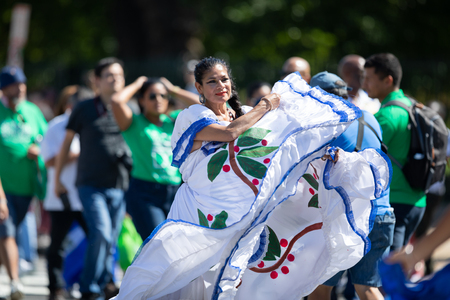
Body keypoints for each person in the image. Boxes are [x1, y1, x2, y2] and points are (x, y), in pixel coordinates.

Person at [112, 57, 391, 300]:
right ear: (198, 88)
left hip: (242, 215)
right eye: (212, 82)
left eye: (224, 79)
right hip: (201, 213)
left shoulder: (245, 113)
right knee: (181, 272)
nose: (220, 85)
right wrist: (265, 105)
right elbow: (229, 133)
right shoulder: (192, 115)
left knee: (227, 277)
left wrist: (323, 159)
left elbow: (280, 149)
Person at [308, 72, 395, 300]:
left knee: (319, 289)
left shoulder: (328, 123)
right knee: (366, 288)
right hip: (382, 214)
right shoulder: (370, 117)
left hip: (346, 218)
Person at [54, 57, 129, 300]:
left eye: (119, 75)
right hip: (89, 184)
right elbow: (66, 145)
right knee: (102, 233)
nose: (115, 79)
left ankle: (104, 283)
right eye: (109, 75)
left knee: (110, 240)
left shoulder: (130, 107)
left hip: (120, 184)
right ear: (96, 81)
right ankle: (89, 288)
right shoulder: (84, 108)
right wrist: (57, 179)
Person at [111, 77, 199, 240]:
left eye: (163, 96)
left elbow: (201, 107)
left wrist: (174, 90)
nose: (158, 100)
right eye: (152, 96)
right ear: (142, 100)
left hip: (175, 193)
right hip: (145, 194)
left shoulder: (174, 120)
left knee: (177, 245)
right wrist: (138, 84)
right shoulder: (134, 123)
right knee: (159, 242)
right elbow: (116, 101)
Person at [363, 53, 426, 253]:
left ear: (388, 80)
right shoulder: (411, 105)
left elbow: (362, 158)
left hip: (394, 203)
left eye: (369, 79)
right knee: (393, 266)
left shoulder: (386, 117)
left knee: (383, 273)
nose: (364, 84)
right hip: (417, 201)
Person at [0, 66, 48, 300]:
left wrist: (38, 150)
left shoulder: (32, 111)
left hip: (27, 188)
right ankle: (15, 282)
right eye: (13, 84)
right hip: (3, 187)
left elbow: (47, 142)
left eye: (22, 83)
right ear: (3, 88)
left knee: (10, 232)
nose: (19, 88)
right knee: (6, 232)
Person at [41, 85, 88, 300]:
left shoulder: (90, 123)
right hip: (62, 196)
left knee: (97, 240)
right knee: (57, 245)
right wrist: (74, 154)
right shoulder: (55, 127)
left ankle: (95, 283)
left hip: (87, 194)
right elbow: (48, 160)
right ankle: (56, 287)